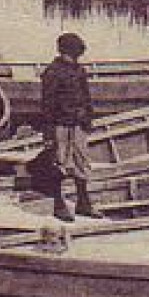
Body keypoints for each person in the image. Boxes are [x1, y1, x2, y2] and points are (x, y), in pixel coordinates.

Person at [38, 32, 103, 222]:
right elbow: (47, 104)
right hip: (60, 125)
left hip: (78, 124)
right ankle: (59, 205)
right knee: (59, 163)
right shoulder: (52, 72)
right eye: (72, 54)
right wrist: (49, 132)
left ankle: (84, 203)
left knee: (82, 163)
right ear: (63, 52)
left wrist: (89, 117)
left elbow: (86, 96)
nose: (74, 58)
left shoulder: (79, 71)